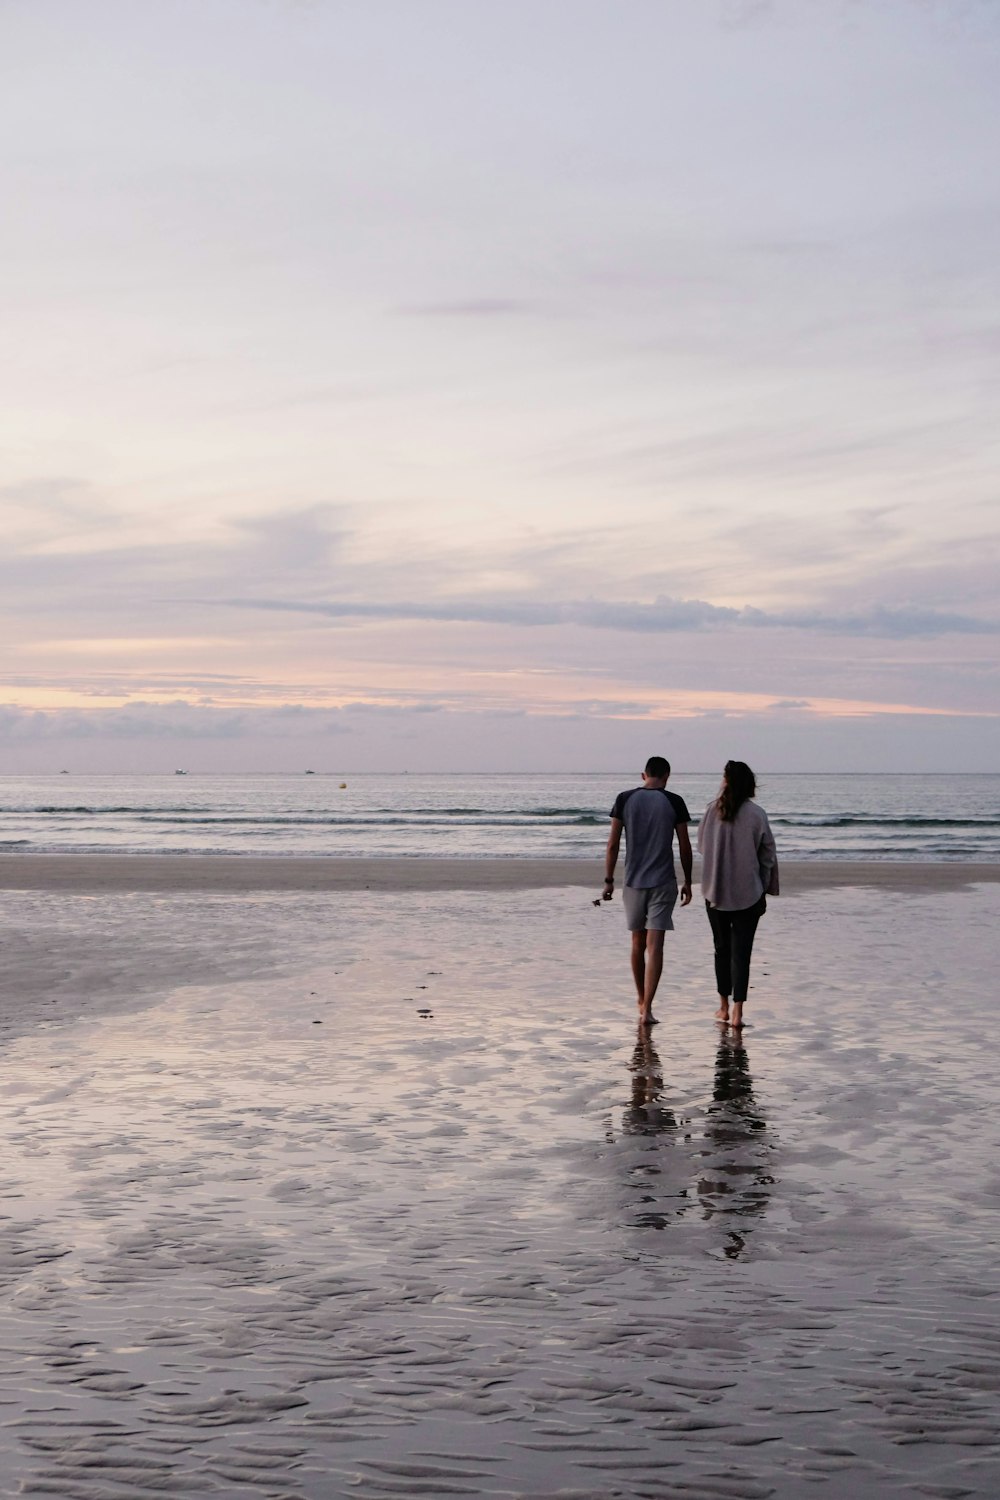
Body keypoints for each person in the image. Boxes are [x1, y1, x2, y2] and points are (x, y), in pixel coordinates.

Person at [603, 757, 693, 1027]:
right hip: (663, 880)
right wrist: (688, 880)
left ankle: (640, 999)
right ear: (667, 775)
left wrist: (608, 880)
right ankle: (648, 1009)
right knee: (656, 947)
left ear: (644, 775)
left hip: (633, 881)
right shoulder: (674, 801)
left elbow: (613, 844)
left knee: (636, 943)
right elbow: (685, 845)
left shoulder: (624, 799)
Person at [697, 760, 778, 1031]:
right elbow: (767, 855)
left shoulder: (711, 811)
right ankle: (738, 1013)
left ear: (727, 781)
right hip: (749, 893)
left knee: (721, 950)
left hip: (715, 892)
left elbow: (702, 847)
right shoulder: (757, 814)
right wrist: (764, 886)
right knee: (742, 953)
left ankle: (722, 1005)